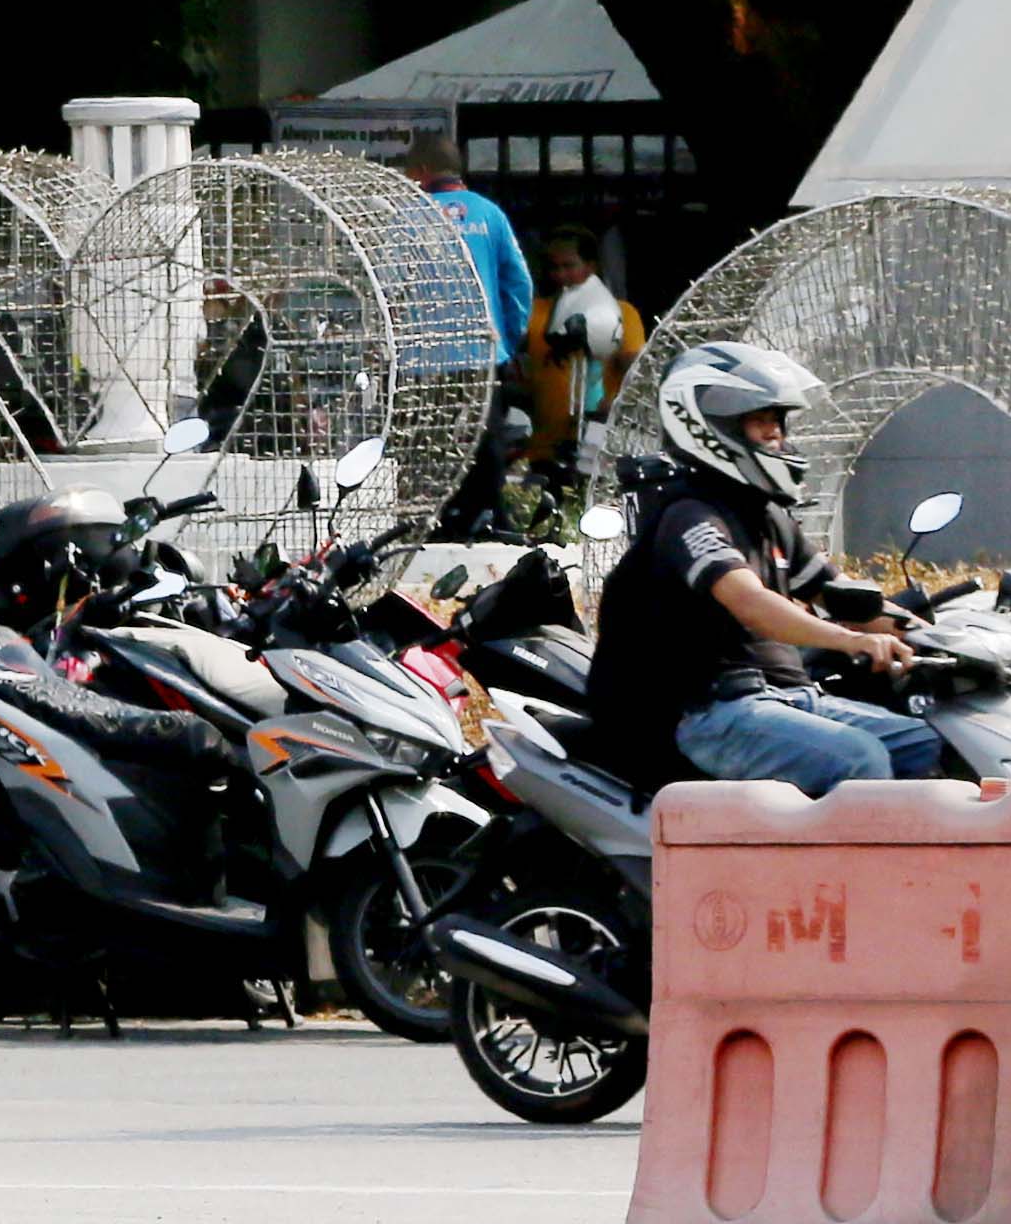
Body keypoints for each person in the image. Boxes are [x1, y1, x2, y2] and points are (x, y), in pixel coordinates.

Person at [589, 343, 943, 796]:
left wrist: (934, 637)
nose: (776, 437)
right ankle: (837, 870)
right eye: (761, 423)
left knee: (923, 741)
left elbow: (841, 598)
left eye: (777, 423)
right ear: (711, 428)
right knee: (860, 759)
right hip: (710, 712)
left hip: (789, 697)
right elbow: (751, 603)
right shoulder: (690, 516)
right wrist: (852, 640)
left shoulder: (768, 515)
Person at [403, 133, 534, 540]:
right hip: (481, 349)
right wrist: (510, 339)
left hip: (424, 356)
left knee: (429, 442)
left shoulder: (407, 215)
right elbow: (519, 283)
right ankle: (490, 518)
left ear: (422, 171)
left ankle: (433, 522)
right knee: (483, 438)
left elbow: (392, 285)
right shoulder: (490, 215)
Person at [516, 225, 644, 485]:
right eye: (554, 267)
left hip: (598, 448)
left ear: (591, 266)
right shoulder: (533, 313)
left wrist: (616, 404)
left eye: (569, 265)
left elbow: (637, 372)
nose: (561, 274)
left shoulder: (621, 312)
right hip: (544, 449)